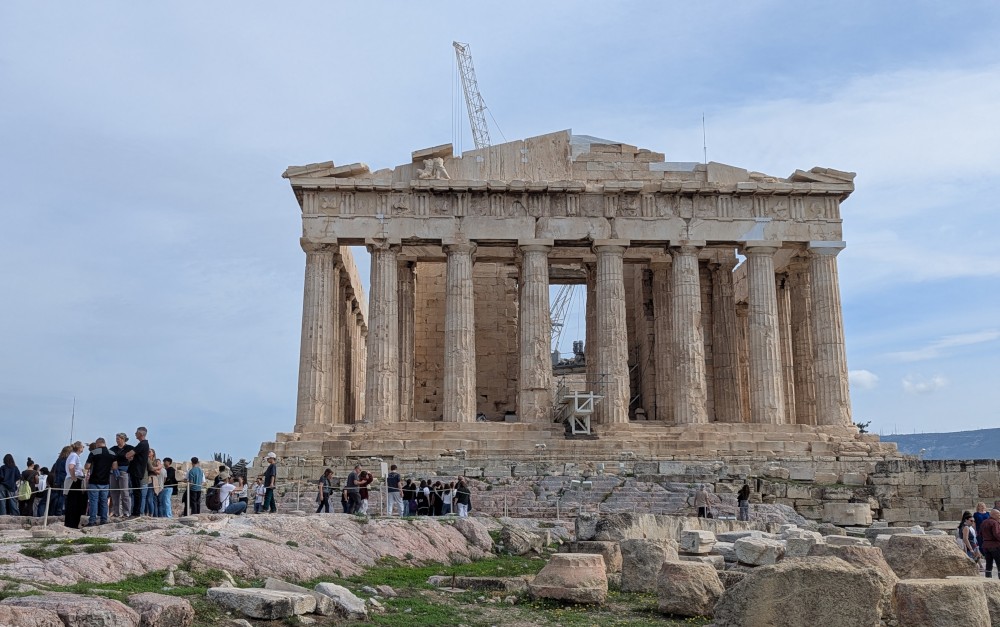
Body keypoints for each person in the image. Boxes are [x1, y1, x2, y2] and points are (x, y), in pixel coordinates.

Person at [84, 438, 117, 527]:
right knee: (104, 501)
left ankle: (92, 521)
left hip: (94, 481)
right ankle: (103, 519)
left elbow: (87, 466)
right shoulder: (112, 453)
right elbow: (114, 467)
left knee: (93, 501)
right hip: (105, 481)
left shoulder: (94, 452)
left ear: (98, 443)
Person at [125, 426, 150, 518]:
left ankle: (136, 512)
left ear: (140, 434)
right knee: (136, 492)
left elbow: (128, 455)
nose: (135, 434)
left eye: (136, 432)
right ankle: (136, 511)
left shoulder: (142, 444)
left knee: (136, 492)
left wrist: (129, 455)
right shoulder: (143, 444)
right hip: (136, 470)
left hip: (137, 470)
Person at [63, 442, 87, 528]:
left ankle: (73, 523)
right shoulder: (74, 456)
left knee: (75, 503)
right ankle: (72, 523)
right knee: (74, 503)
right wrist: (74, 478)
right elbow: (71, 467)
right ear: (79, 447)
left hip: (74, 480)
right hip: (74, 481)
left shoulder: (73, 455)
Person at [109, 433, 133, 518]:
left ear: (123, 439)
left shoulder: (130, 448)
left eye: (118, 438)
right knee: (114, 492)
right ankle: (116, 512)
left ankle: (126, 512)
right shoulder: (112, 449)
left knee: (125, 492)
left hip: (124, 471)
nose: (116, 440)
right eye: (116, 438)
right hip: (113, 471)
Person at [49, 446, 70, 516]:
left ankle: (54, 511)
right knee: (62, 496)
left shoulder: (58, 460)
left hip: (57, 480)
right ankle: (59, 511)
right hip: (64, 479)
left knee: (57, 496)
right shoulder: (67, 460)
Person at [981, 509, 1000, 578]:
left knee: (988, 564)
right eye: (998, 514)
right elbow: (997, 534)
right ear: (993, 514)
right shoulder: (994, 523)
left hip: (986, 545)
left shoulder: (984, 522)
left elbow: (980, 534)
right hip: (995, 545)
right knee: (999, 563)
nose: (999, 516)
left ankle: (988, 579)